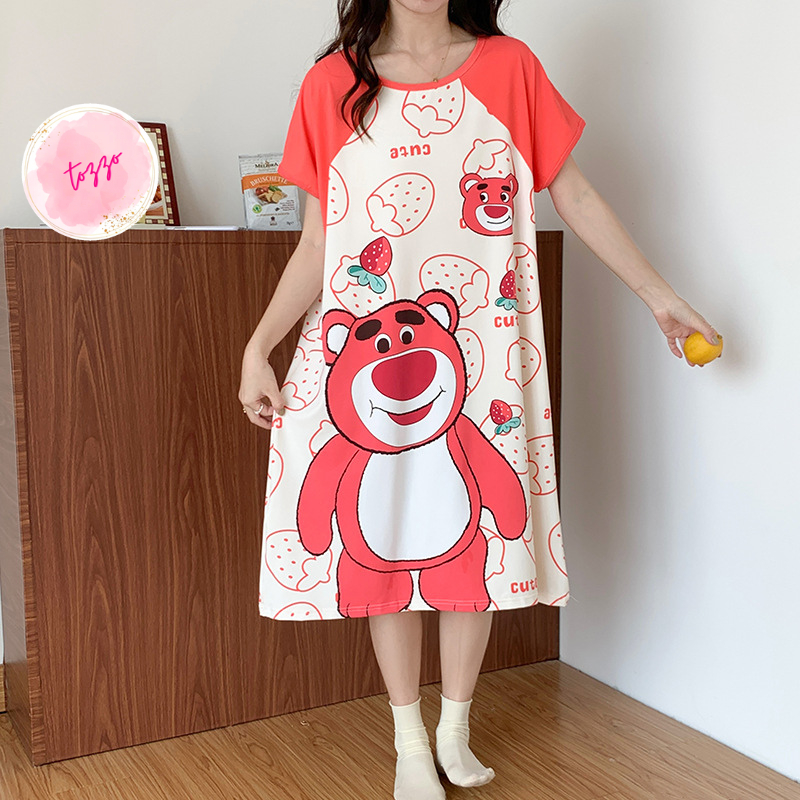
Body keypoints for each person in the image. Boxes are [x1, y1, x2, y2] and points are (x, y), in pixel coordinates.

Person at [239, 2, 720, 798]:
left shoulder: (509, 67)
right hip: (367, 350)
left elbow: (576, 195)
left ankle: (454, 730)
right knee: (384, 540)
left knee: (478, 546)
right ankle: (407, 742)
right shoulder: (333, 84)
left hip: (483, 345)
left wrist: (660, 297)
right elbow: (318, 240)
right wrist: (259, 345)